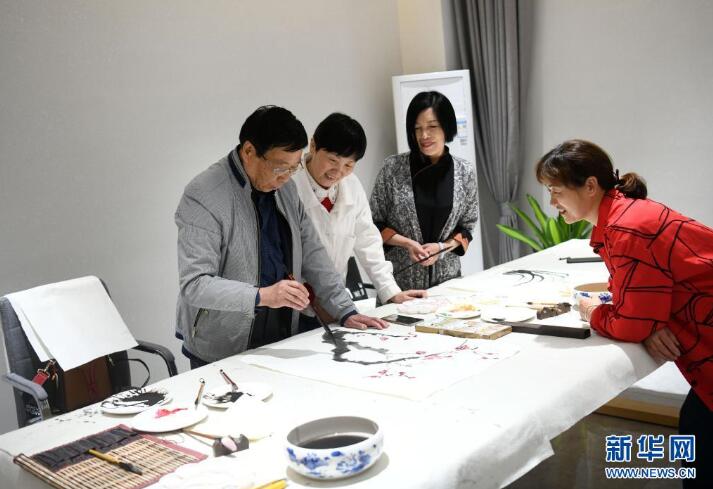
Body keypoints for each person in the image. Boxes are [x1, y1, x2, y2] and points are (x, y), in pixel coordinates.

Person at [536, 139, 712, 487]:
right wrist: (648, 321)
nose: (552, 203)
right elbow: (638, 303)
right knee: (694, 430)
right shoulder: (624, 214)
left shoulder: (625, 227)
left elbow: (631, 323)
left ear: (590, 186)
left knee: (698, 441)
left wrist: (592, 312)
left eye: (556, 191)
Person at [174, 105, 388, 369]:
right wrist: (262, 295)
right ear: (249, 151)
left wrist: (345, 310)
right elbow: (195, 284)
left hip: (280, 335)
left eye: (293, 168)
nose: (286, 177)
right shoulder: (204, 195)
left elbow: (313, 255)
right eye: (279, 168)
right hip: (221, 344)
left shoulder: (285, 190)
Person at [292, 113, 427, 329]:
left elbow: (367, 240)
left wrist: (391, 291)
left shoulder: (351, 186)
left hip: (334, 302)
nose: (338, 172)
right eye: (333, 160)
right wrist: (314, 298)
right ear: (313, 145)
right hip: (294, 304)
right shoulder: (289, 185)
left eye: (348, 165)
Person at [369, 91, 479, 291]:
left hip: (447, 285)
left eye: (432, 126)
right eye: (417, 128)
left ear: (447, 127)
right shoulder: (392, 168)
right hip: (400, 286)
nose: (424, 135)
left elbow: (467, 227)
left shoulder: (465, 172)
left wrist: (441, 248)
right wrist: (407, 243)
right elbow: (373, 224)